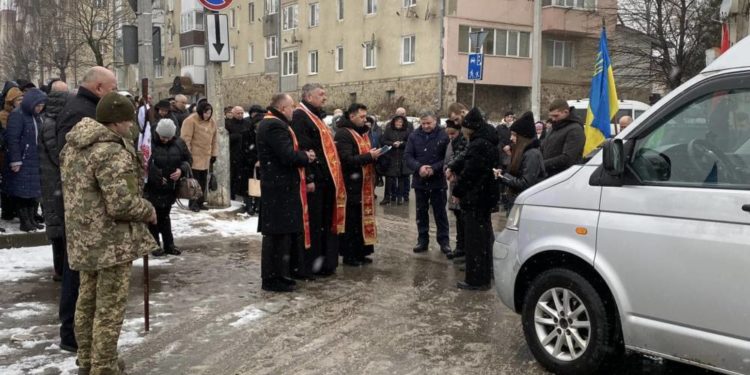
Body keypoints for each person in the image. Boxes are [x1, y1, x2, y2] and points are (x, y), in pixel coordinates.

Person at [60, 92, 157, 375]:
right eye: (127, 121)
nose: (130, 127)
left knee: (86, 301)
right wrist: (147, 209)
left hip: (83, 238)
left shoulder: (74, 146)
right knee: (109, 308)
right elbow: (121, 203)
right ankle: (104, 366)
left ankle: (88, 360)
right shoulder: (110, 151)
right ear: (115, 123)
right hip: (110, 241)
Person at [55, 66, 118, 353]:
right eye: (113, 87)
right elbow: (71, 160)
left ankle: (79, 333)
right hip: (82, 208)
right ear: (99, 88)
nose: (115, 93)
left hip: (86, 206)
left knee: (83, 270)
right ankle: (72, 334)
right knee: (77, 271)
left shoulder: (85, 107)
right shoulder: (80, 111)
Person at [256, 93, 316, 292]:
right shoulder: (274, 125)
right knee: (277, 236)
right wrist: (305, 156)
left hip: (280, 188)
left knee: (281, 235)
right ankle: (274, 278)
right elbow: (287, 155)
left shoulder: (274, 123)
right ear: (282, 108)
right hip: (279, 189)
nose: (294, 110)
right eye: (292, 107)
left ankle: (280, 275)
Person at [290, 83, 347, 278]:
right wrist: (310, 177)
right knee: (314, 224)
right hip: (316, 180)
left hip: (326, 179)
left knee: (324, 223)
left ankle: (325, 263)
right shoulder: (300, 116)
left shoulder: (317, 116)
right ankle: (310, 265)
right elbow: (305, 148)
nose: (325, 97)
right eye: (321, 94)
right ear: (308, 96)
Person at [447, 108, 500, 291]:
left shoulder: (478, 145)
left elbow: (471, 172)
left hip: (476, 198)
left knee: (475, 241)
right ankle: (483, 274)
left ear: (471, 128)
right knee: (483, 238)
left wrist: (459, 191)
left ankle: (476, 279)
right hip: (484, 197)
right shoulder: (487, 141)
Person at [334, 103, 382, 266]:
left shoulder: (361, 133)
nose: (364, 119)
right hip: (351, 185)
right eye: (361, 117)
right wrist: (369, 156)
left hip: (363, 184)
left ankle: (361, 252)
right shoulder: (343, 134)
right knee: (352, 221)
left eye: (365, 116)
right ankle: (350, 255)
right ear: (352, 116)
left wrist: (375, 155)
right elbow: (346, 160)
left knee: (362, 219)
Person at [404, 110, 451, 255]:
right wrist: (419, 167)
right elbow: (408, 156)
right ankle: (422, 240)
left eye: (428, 123)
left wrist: (434, 168)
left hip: (437, 181)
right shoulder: (414, 136)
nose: (425, 126)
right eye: (423, 123)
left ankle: (444, 242)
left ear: (435, 121)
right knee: (421, 213)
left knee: (440, 213)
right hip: (420, 180)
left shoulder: (443, 136)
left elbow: (447, 157)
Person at [146, 119, 192, 256]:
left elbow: (188, 160)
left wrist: (181, 170)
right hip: (153, 187)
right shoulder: (149, 142)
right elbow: (144, 162)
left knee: (165, 216)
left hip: (171, 187)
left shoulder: (179, 143)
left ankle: (169, 244)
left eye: (168, 137)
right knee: (153, 216)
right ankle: (154, 245)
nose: (165, 140)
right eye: (162, 137)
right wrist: (156, 174)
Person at [39, 80, 70, 281]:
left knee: (59, 228)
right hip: (53, 183)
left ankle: (62, 268)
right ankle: (60, 270)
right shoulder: (53, 123)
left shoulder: (49, 119)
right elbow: (57, 153)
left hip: (52, 182)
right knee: (58, 229)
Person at [4, 88, 46, 232]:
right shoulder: (17, 115)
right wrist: (16, 160)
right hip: (23, 159)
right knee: (23, 191)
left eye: (42, 106)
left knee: (33, 192)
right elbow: (13, 139)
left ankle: (31, 219)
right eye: (38, 105)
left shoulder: (37, 116)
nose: (40, 108)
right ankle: (24, 221)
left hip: (35, 159)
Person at [496, 112, 547, 207]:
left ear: (523, 138)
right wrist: (502, 173)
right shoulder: (522, 152)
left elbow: (525, 183)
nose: (511, 138)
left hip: (526, 204)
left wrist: (504, 176)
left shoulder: (532, 154)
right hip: (518, 201)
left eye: (514, 135)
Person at [180, 101, 218, 212]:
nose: (208, 115)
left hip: (206, 156)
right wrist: (188, 155)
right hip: (194, 156)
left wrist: (214, 154)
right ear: (200, 112)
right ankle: (193, 203)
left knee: (203, 181)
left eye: (210, 113)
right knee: (194, 181)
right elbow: (185, 140)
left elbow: (215, 139)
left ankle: (201, 201)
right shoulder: (190, 121)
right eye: (206, 113)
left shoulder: (212, 122)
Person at [443, 119, 467, 260]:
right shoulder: (452, 143)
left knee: (464, 217)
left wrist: (454, 171)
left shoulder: (464, 143)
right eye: (448, 134)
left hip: (462, 183)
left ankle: (465, 249)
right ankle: (460, 246)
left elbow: (462, 162)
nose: (450, 136)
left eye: (453, 133)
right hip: (454, 183)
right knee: (458, 216)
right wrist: (447, 170)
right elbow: (448, 160)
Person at [541, 99, 585, 177]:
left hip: (565, 177)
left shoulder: (575, 129)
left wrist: (542, 164)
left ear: (566, 112)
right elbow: (544, 147)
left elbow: (568, 158)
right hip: (550, 175)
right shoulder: (554, 126)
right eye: (551, 116)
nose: (553, 119)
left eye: (556, 116)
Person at [0, 87, 23, 221]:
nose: (21, 101)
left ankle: (13, 210)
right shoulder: (5, 115)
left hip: (13, 152)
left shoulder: (20, 113)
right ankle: (8, 211)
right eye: (18, 99)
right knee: (7, 185)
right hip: (6, 154)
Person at [380, 115, 411, 206]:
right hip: (390, 157)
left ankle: (400, 198)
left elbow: (409, 143)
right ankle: (387, 198)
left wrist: (401, 144)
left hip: (402, 158)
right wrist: (392, 144)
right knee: (389, 178)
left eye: (400, 122)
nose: (398, 123)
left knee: (401, 178)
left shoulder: (407, 131)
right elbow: (383, 141)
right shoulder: (388, 130)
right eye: (397, 121)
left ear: (403, 123)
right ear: (394, 122)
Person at [243, 105, 264, 215]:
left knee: (259, 185)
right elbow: (244, 150)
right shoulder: (247, 134)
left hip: (262, 164)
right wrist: (253, 161)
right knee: (249, 185)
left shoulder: (265, 134)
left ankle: (258, 206)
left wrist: (261, 160)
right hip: (248, 164)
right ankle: (249, 205)